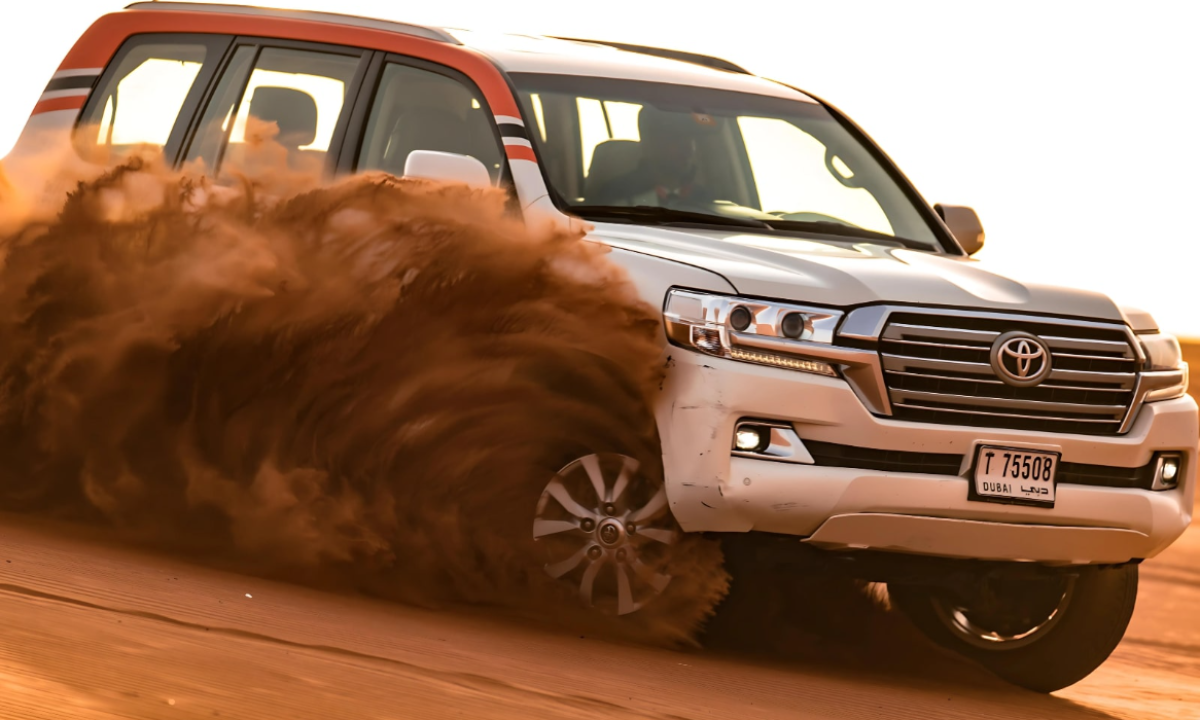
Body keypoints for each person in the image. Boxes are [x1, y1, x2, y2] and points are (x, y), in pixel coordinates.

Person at [590, 106, 717, 207]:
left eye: (691, 139)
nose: (689, 149)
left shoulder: (702, 197)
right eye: (677, 139)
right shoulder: (615, 195)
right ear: (648, 144)